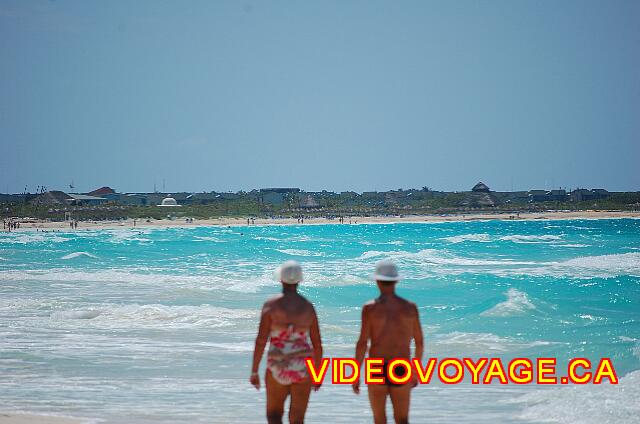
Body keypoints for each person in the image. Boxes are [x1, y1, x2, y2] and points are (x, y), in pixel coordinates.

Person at [250, 261, 323, 424]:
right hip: (303, 366)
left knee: (274, 416)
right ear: (299, 280)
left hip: (278, 363)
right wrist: (317, 375)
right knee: (297, 419)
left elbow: (261, 340)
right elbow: (317, 345)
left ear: (281, 279)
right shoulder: (308, 307)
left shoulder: (271, 305)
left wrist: (254, 371)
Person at [352, 260, 424, 424]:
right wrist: (415, 370)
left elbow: (362, 343)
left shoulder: (370, 308)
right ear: (396, 281)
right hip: (401, 365)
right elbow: (419, 342)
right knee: (402, 419)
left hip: (377, 365)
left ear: (377, 281)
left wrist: (356, 373)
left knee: (379, 420)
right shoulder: (409, 308)